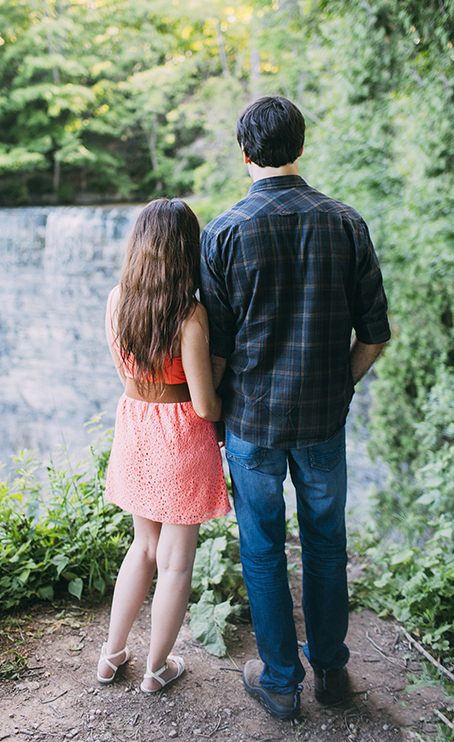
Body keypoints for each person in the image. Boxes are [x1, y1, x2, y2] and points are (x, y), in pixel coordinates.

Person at [199, 95, 391, 721]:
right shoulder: (345, 224)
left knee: (260, 547)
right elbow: (376, 336)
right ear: (300, 147)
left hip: (252, 423)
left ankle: (280, 682)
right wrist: (341, 386)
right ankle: (332, 672)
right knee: (326, 542)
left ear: (245, 153)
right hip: (322, 420)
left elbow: (217, 352)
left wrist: (213, 414)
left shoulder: (222, 233)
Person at [96, 198, 230, 694]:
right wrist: (221, 373)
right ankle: (156, 669)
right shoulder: (190, 316)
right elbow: (205, 407)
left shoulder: (116, 300)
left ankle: (110, 657)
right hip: (179, 438)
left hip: (135, 427)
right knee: (176, 560)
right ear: (185, 252)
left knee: (143, 547)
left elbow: (124, 374)